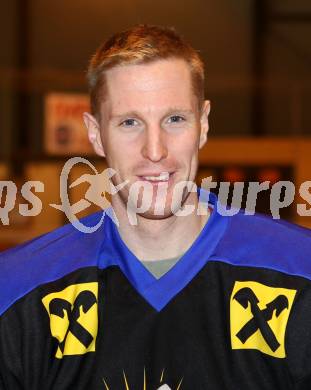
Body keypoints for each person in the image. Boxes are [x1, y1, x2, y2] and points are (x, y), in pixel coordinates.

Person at [1, 24, 311, 390]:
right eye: (129, 122)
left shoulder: (300, 273)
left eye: (175, 119)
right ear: (96, 133)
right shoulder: (16, 290)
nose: (155, 150)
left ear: (204, 123)